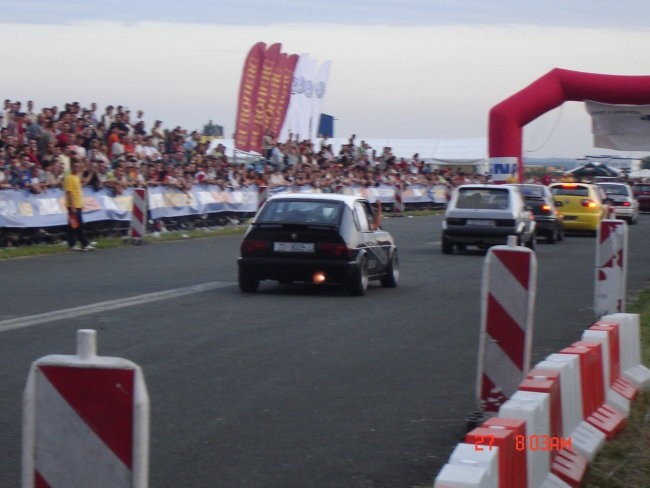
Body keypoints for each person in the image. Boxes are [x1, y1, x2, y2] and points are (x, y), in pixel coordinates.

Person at [63, 158, 94, 251]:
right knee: (79, 225)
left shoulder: (77, 177)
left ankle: (72, 243)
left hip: (78, 204)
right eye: (75, 166)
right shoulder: (69, 178)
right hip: (73, 205)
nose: (76, 168)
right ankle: (84, 243)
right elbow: (69, 193)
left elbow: (84, 182)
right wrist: (72, 206)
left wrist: (91, 173)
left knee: (73, 226)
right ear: (71, 167)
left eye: (78, 166)